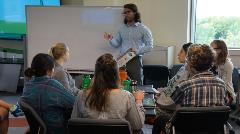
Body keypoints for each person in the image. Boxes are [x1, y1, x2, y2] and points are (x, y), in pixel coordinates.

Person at [152, 44, 226, 134]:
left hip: (185, 129)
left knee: (159, 119)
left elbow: (168, 103)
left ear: (191, 64)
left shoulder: (184, 85)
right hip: (213, 130)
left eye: (187, 60)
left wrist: (156, 98)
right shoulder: (221, 84)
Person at [71, 54, 145, 134]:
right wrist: (138, 101)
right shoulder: (126, 96)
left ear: (96, 73)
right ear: (116, 74)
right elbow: (137, 125)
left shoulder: (81, 95)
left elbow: (74, 124)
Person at [21, 53, 75, 134]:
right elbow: (73, 102)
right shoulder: (52, 84)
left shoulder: (28, 85)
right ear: (49, 71)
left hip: (41, 128)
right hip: (57, 129)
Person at [104, 3, 153, 85]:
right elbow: (116, 44)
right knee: (121, 83)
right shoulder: (122, 29)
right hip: (122, 60)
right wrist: (111, 39)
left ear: (135, 13)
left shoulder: (143, 29)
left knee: (136, 84)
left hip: (135, 60)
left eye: (128, 12)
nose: (126, 14)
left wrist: (136, 51)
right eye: (124, 13)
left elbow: (150, 47)